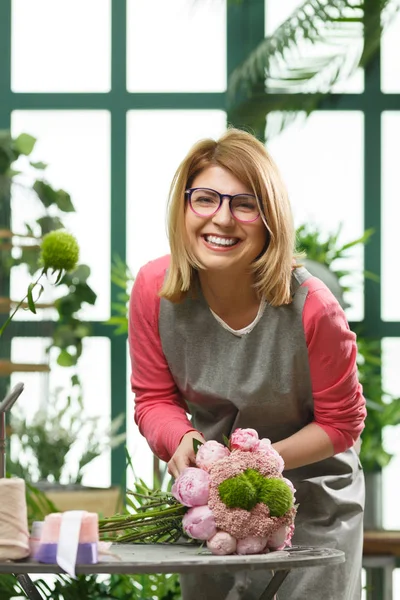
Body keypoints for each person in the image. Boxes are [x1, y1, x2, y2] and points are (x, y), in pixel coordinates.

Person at [128, 128, 366, 600]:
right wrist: (183, 440)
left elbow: (343, 421)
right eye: (206, 199)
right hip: (215, 500)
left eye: (245, 204)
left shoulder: (313, 307)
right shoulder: (154, 290)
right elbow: (154, 399)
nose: (222, 219)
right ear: (184, 207)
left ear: (270, 219)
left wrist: (261, 463)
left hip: (312, 498)